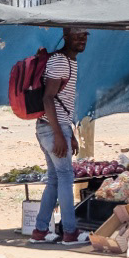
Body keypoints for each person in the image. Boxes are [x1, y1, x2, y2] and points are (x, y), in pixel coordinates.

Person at [31, 27, 90, 246]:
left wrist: (70, 133)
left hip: (54, 127)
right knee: (65, 177)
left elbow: (61, 102)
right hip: (51, 128)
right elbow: (48, 98)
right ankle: (70, 233)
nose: (82, 39)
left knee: (55, 179)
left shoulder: (70, 61)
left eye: (84, 35)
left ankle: (40, 231)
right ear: (66, 37)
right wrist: (58, 134)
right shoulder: (60, 62)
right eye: (77, 36)